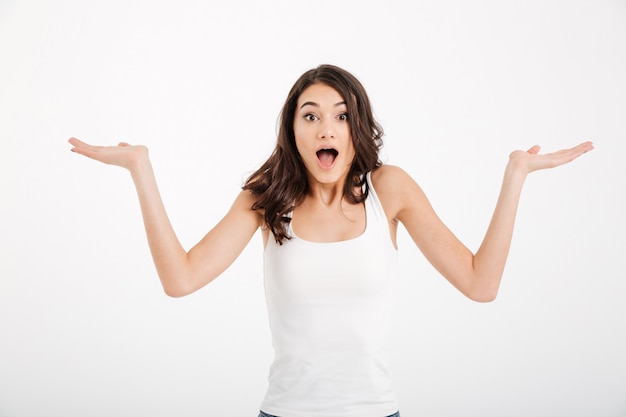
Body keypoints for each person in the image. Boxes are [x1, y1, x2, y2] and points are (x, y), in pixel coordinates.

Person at [68, 64, 593, 417]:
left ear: (355, 128)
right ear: (293, 132)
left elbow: (481, 284)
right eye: (311, 116)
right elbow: (180, 280)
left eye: (341, 116)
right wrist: (141, 169)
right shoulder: (265, 199)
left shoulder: (391, 189)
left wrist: (516, 175)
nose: (326, 129)